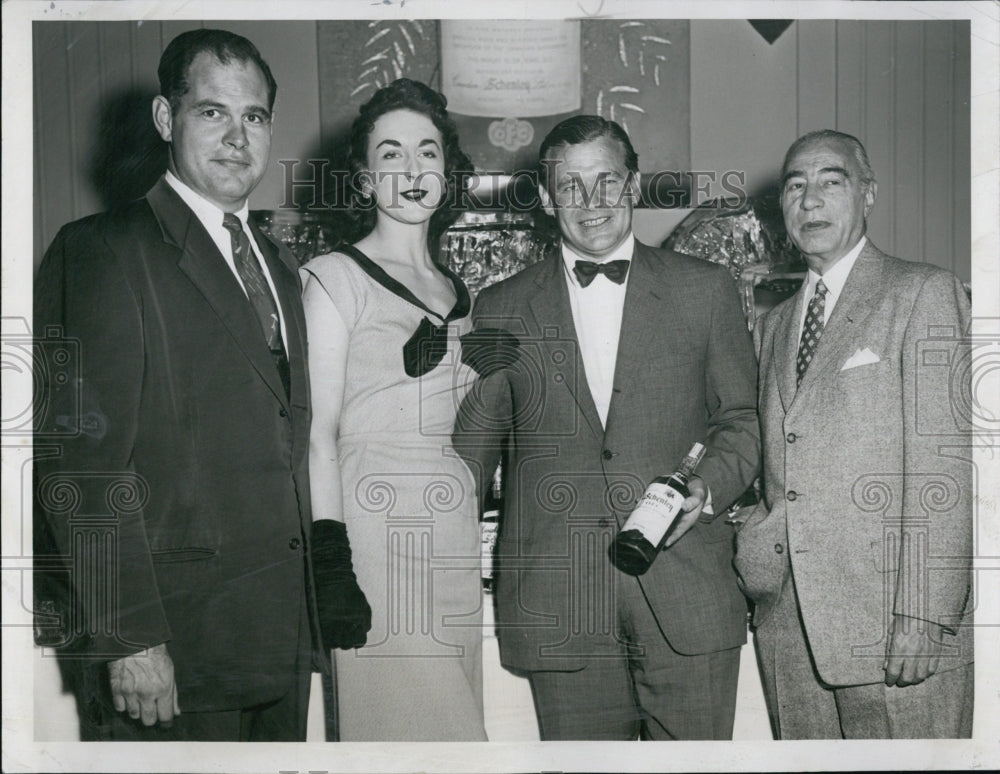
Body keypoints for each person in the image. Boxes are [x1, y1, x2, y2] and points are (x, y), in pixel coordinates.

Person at [32, 29, 368, 741]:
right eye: (212, 112)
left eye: (254, 117)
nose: (237, 136)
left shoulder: (277, 266)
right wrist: (129, 638)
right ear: (164, 120)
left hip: (275, 646)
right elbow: (83, 469)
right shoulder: (102, 251)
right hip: (172, 651)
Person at [453, 115, 760, 740]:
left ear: (634, 184)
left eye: (606, 181)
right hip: (560, 603)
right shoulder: (500, 307)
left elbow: (742, 420)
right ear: (545, 197)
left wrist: (707, 493)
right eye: (570, 186)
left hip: (687, 594)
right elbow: (469, 459)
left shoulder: (705, 291)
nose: (590, 204)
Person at [734, 129, 973, 739]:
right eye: (795, 186)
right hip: (789, 624)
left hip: (892, 624)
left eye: (830, 181)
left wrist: (923, 610)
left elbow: (943, 468)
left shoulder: (923, 293)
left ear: (869, 193)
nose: (810, 199)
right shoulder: (773, 324)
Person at [300, 78, 488, 741]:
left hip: (454, 535)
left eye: (427, 152)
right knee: (412, 736)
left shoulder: (462, 292)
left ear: (448, 169)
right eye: (390, 155)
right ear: (361, 177)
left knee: (460, 734)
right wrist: (332, 566)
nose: (411, 171)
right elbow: (316, 436)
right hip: (377, 538)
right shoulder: (332, 276)